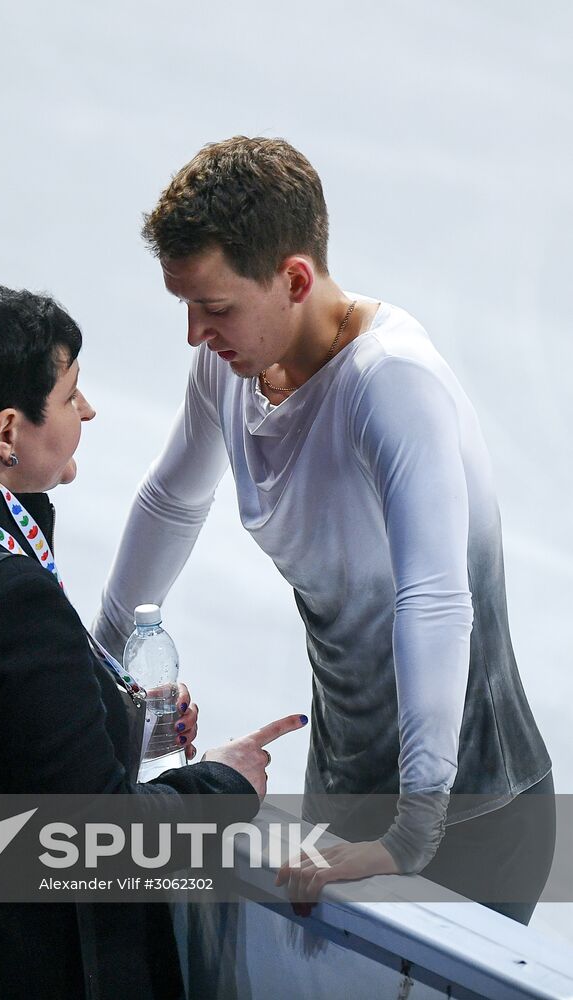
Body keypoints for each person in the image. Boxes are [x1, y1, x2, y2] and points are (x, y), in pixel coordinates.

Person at [92, 137, 555, 923]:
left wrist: (410, 834)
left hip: (465, 814)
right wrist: (96, 672)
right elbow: (173, 499)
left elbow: (435, 601)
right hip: (348, 801)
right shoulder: (232, 364)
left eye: (215, 307)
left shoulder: (390, 385)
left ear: (294, 279)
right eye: (187, 308)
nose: (195, 334)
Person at [0, 285, 305, 999]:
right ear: (8, 432)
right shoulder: (6, 592)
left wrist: (108, 710)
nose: (88, 410)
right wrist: (223, 782)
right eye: (71, 394)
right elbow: (103, 841)